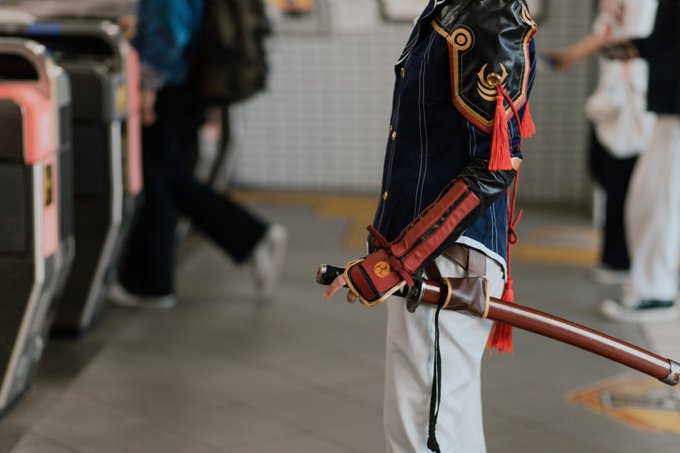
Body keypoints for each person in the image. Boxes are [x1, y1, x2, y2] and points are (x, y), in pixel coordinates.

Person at [324, 1, 537, 451]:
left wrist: (399, 261)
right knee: (444, 427)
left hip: (448, 261)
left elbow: (494, 166)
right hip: (430, 257)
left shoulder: (488, 16)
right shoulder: (452, 8)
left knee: (424, 434)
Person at [109, 0, 287, 308]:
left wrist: (148, 82)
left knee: (153, 175)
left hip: (171, 85)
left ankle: (152, 284)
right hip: (193, 78)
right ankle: (250, 238)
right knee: (169, 173)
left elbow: (168, 26)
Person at [546, 0, 657, 285]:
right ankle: (617, 258)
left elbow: (636, 42)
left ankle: (620, 261)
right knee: (603, 169)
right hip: (615, 96)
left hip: (632, 96)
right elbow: (604, 33)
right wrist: (570, 55)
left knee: (622, 180)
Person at [600, 0, 680, 322]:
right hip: (669, 109)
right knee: (649, 199)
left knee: (659, 202)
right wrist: (632, 46)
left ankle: (655, 293)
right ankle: (651, 286)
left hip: (675, 112)